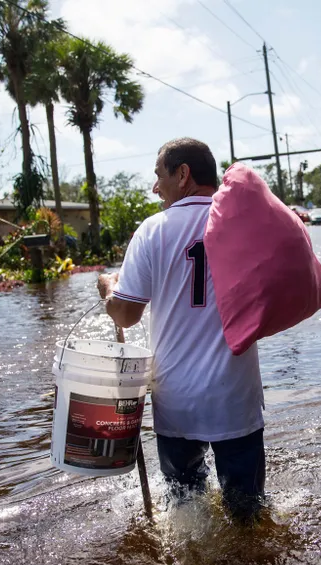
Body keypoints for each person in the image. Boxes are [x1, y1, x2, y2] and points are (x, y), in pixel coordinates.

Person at [97, 138, 266, 520]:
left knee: (187, 517)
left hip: (176, 402)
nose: (156, 187)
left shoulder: (154, 230)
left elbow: (125, 315)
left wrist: (109, 287)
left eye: (159, 175)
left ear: (183, 174)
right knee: (249, 519)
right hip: (235, 397)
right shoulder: (243, 223)